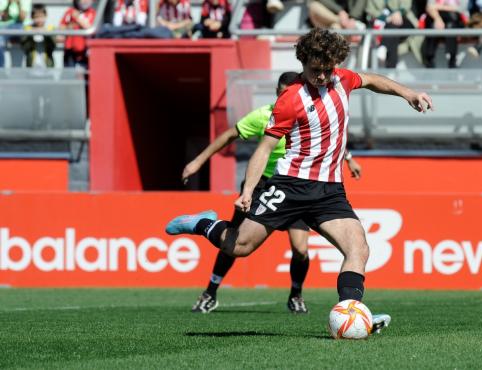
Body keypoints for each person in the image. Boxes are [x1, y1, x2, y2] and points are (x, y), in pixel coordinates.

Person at [166, 28, 433, 334]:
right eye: (315, 71)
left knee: (358, 247)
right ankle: (201, 223)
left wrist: (407, 93)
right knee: (239, 246)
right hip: (290, 185)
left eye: (327, 70)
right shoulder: (290, 99)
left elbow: (371, 79)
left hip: (329, 190)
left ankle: (351, 313)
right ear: (303, 62)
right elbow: (264, 148)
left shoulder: (341, 79)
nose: (322, 77)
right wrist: (249, 190)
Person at [185, 71, 364, 314]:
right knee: (236, 242)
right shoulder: (265, 115)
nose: (285, 97)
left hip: (300, 185)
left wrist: (349, 158)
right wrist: (197, 161)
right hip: (265, 184)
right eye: (281, 93)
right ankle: (210, 291)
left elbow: (325, 139)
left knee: (301, 249)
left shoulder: (310, 106)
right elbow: (230, 135)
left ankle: (296, 295)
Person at [366, 0, 419, 68]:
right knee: (393, 32)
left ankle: (383, 47)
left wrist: (398, 13)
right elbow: (370, 11)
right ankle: (391, 68)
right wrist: (387, 18)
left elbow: (406, 6)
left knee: (393, 27)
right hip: (383, 24)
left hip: (404, 21)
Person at [421, 0, 466, 68]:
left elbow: (461, 8)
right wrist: (437, 18)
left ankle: (452, 58)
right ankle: (429, 58)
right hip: (436, 17)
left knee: (451, 25)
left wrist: (438, 7)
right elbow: (429, 7)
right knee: (433, 26)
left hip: (454, 19)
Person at [60, 0, 96, 68]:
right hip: (70, 50)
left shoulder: (92, 12)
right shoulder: (70, 12)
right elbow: (61, 27)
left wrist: (78, 18)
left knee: (85, 74)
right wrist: (69, 26)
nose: (85, 1)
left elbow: (90, 28)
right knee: (69, 75)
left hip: (85, 50)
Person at [21, 3, 55, 68]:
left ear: (46, 16)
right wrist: (31, 33)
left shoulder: (50, 28)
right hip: (32, 65)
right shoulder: (27, 29)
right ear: (32, 17)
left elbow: (52, 46)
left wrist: (45, 33)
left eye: (41, 17)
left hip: (47, 66)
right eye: (36, 17)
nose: (39, 20)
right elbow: (25, 46)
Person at [0, 0, 31, 67]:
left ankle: (30, 69)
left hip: (21, 25)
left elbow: (22, 18)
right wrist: (8, 4)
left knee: (31, 39)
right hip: (3, 26)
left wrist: (18, 4)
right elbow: (3, 18)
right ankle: (1, 71)